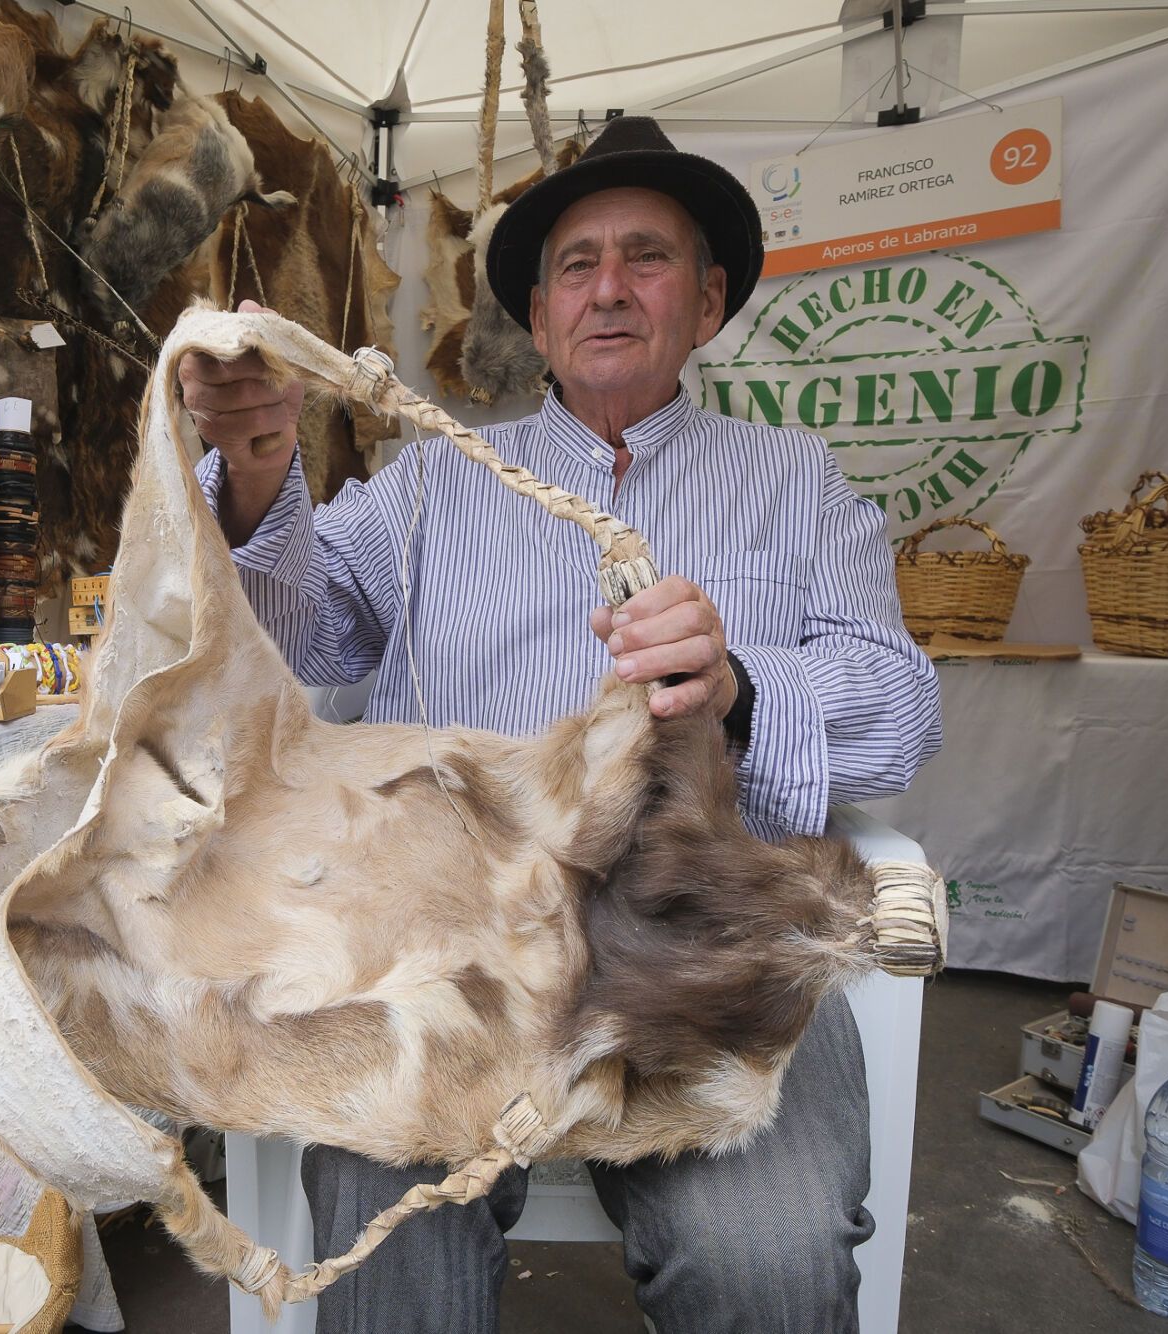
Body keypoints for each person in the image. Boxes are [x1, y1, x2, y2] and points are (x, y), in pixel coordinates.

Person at [178, 116, 942, 1334]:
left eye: (646, 256)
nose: (607, 289)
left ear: (708, 301)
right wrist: (262, 462)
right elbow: (302, 633)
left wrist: (735, 690)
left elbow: (899, 711)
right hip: (452, 936)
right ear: (535, 320)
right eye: (575, 265)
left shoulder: (796, 483)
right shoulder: (433, 481)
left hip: (713, 935)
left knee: (764, 1252)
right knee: (388, 1196)